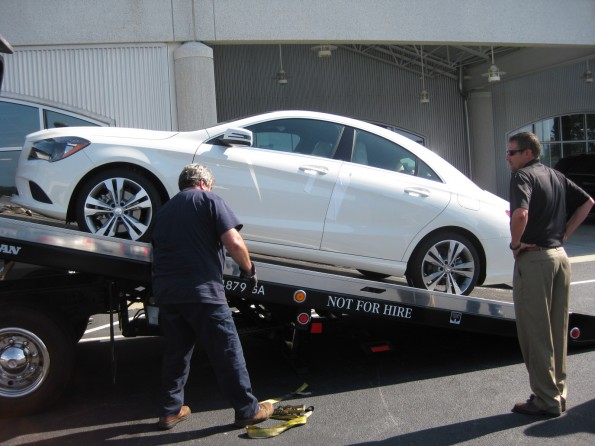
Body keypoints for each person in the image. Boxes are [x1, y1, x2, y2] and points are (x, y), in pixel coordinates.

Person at [151, 163, 273, 430]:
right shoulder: (208, 199)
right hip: (203, 293)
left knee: (176, 354)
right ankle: (247, 410)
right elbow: (234, 242)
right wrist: (249, 269)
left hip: (168, 294)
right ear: (204, 183)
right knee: (227, 350)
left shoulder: (163, 211)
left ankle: (170, 411)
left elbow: (156, 251)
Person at [506, 132, 594, 418]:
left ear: (528, 153)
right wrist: (565, 233)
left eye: (512, 152)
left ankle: (545, 400)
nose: (508, 157)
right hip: (560, 258)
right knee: (558, 331)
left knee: (535, 333)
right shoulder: (555, 175)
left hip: (536, 261)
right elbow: (588, 202)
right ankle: (558, 394)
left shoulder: (522, 177)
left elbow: (520, 215)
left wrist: (516, 244)